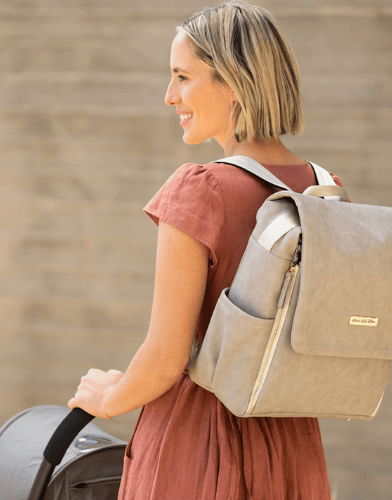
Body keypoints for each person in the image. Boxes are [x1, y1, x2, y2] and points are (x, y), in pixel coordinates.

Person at [68, 1, 344, 498]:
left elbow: (164, 360)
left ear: (234, 82)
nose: (169, 96)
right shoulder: (326, 191)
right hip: (291, 443)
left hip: (197, 443)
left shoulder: (201, 189)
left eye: (183, 77)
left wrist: (107, 398)